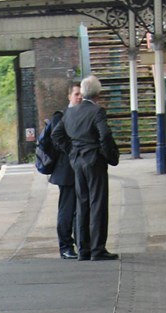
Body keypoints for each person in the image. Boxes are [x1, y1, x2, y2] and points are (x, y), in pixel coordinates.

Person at [52, 74, 120, 261]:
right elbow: (105, 135)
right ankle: (98, 249)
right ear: (98, 93)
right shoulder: (97, 112)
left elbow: (56, 134)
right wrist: (106, 154)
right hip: (94, 161)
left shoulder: (71, 112)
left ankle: (83, 249)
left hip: (77, 163)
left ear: (82, 92)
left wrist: (72, 151)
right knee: (97, 203)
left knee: (82, 204)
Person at [50, 81, 82, 259]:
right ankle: (65, 247)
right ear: (69, 96)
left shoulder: (83, 114)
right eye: (76, 94)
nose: (79, 97)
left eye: (81, 94)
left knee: (80, 209)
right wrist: (73, 151)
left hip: (80, 170)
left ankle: (80, 243)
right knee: (67, 209)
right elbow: (56, 139)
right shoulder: (60, 116)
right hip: (66, 171)